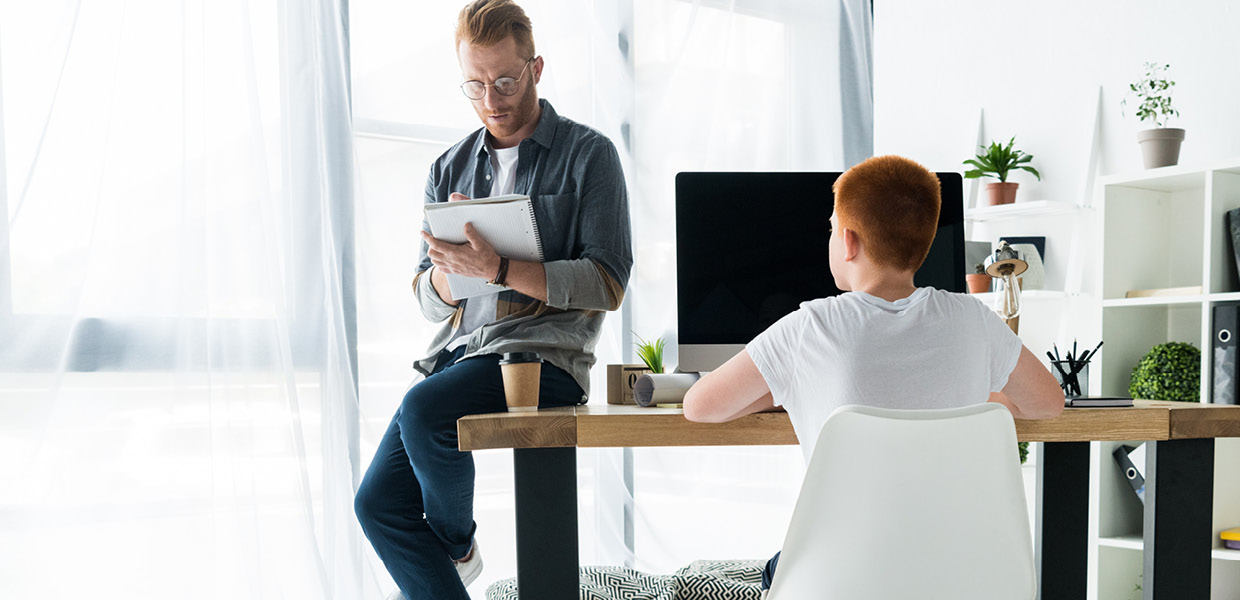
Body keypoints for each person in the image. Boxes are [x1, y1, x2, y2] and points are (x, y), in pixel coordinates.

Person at [682, 155, 1063, 595]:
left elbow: (700, 405)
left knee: (777, 564)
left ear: (847, 241)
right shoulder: (973, 319)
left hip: (843, 580)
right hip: (960, 573)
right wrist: (985, 402)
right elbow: (1048, 403)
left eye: (830, 228)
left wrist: (789, 388)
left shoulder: (811, 327)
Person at [353, 1, 632, 598]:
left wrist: (501, 268)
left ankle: (457, 546)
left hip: (542, 361)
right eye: (475, 85)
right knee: (376, 505)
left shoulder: (590, 156)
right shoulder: (447, 165)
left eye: (505, 81)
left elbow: (607, 282)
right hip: (459, 357)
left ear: (536, 68)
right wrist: (452, 276)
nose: (492, 99)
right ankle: (455, 563)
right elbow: (427, 298)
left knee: (427, 411)